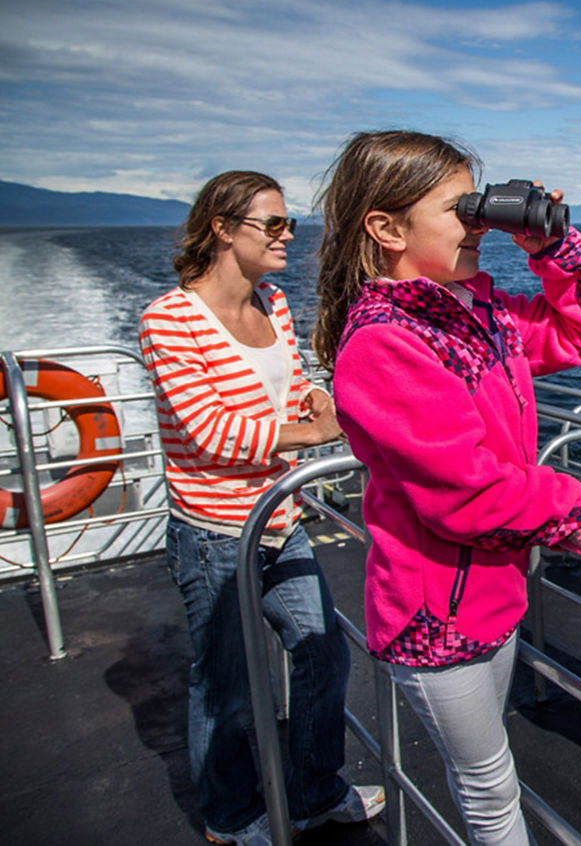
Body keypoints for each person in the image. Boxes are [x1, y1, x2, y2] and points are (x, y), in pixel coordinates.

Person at [312, 130, 581, 846]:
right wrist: (570, 500)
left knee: (493, 776)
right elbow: (466, 495)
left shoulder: (478, 314)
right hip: (434, 620)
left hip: (496, 593)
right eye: (461, 210)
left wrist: (552, 245)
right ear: (386, 228)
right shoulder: (386, 342)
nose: (480, 223)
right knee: (490, 792)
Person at [138, 171, 384, 846]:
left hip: (278, 517)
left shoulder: (273, 302)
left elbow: (299, 383)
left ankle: (312, 789)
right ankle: (227, 813)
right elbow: (210, 432)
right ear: (222, 228)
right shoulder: (169, 320)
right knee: (226, 683)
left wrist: (318, 403)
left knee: (323, 654)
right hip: (214, 531)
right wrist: (320, 434)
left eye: (288, 224)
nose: (286, 236)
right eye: (271, 224)